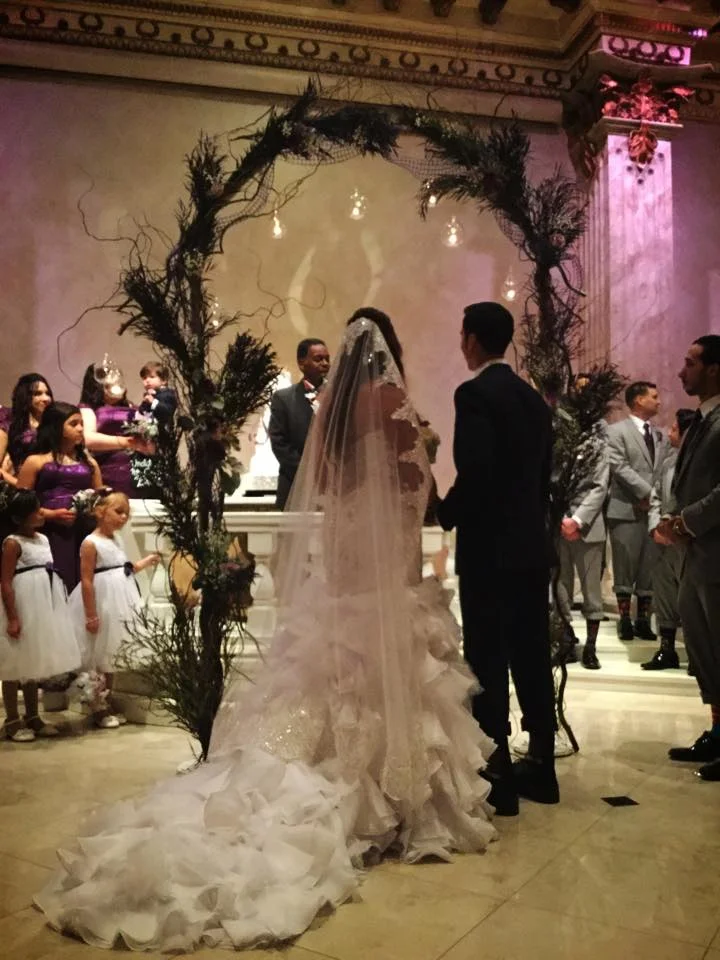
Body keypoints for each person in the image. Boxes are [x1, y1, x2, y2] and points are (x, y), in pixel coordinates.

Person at [35, 314, 496, 952]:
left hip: (344, 560)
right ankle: (396, 794)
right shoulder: (391, 402)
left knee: (334, 675)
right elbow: (415, 488)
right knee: (394, 670)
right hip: (385, 564)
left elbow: (332, 488)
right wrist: (420, 455)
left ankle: (360, 779)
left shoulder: (335, 411)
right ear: (391, 350)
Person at [437, 301, 557, 817]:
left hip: (490, 550)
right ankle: (544, 768)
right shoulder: (534, 401)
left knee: (488, 657)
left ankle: (500, 775)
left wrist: (444, 512)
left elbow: (477, 471)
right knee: (531, 656)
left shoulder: (474, 394)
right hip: (531, 546)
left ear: (471, 340)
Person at [660, 336, 720, 781]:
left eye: (690, 362)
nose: (682, 372)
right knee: (703, 649)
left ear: (715, 369)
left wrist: (686, 521)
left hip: (715, 552)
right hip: (695, 554)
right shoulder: (705, 417)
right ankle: (718, 730)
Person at [69, 491, 160, 729]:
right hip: (103, 601)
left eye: (126, 514)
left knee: (112, 652)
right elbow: (87, 580)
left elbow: (124, 569)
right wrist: (91, 613)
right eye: (118, 512)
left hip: (120, 599)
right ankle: (96, 703)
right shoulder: (90, 543)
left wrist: (146, 562)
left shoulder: (116, 541)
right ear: (100, 511)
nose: (123, 518)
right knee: (98, 652)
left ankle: (106, 699)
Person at [0, 490, 80, 742]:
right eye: (35, 511)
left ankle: (33, 715)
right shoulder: (13, 542)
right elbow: (5, 581)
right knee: (14, 664)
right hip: (22, 605)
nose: (40, 513)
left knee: (33, 662)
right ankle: (12, 719)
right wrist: (13, 617)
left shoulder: (43, 540)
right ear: (20, 517)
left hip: (42, 606)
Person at [16, 402, 102, 592]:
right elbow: (19, 503)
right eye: (73, 424)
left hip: (83, 532)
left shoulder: (90, 464)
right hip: (49, 533)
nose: (81, 428)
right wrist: (50, 514)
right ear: (56, 427)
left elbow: (100, 499)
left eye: (81, 423)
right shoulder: (36, 461)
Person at [606, 381, 668, 641]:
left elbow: (663, 468)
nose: (659, 401)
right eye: (654, 396)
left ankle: (643, 620)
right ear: (638, 400)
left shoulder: (659, 434)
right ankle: (625, 619)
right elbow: (618, 465)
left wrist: (656, 497)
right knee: (625, 565)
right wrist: (645, 491)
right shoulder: (616, 431)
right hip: (626, 508)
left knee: (649, 567)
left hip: (652, 511)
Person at [642, 408, 695, 671]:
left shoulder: (699, 463)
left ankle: (698, 656)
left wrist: (679, 527)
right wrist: (655, 526)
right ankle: (666, 650)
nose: (670, 433)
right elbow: (655, 496)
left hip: (688, 540)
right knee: (664, 594)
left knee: (691, 598)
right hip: (663, 541)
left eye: (674, 429)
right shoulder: (668, 462)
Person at [557, 437, 610, 671]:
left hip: (588, 526)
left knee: (592, 591)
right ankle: (566, 641)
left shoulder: (599, 445)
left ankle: (590, 647)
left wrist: (577, 520)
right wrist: (560, 519)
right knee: (559, 587)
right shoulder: (559, 443)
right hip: (558, 527)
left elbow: (600, 487)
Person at [268, 337, 330, 509]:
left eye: (327, 359)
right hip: (294, 485)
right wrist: (308, 473)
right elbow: (279, 442)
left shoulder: (338, 396)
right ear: (302, 363)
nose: (325, 363)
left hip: (332, 489)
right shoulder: (284, 398)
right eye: (318, 359)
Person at [79, 363, 141, 496]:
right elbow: (88, 438)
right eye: (108, 385)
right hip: (108, 467)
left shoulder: (133, 406)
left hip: (137, 466)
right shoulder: (88, 408)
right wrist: (127, 442)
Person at [0, 374, 54, 483]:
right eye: (37, 394)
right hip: (16, 488)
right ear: (25, 396)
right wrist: (20, 487)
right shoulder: (9, 421)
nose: (46, 398)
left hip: (48, 487)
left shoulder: (54, 422)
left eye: (47, 393)